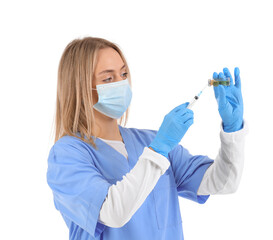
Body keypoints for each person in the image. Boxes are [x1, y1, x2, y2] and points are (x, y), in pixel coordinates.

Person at [46, 37, 248, 240]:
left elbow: (223, 183)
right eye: (108, 79)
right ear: (79, 88)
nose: (121, 84)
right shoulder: (66, 156)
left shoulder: (149, 141)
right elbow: (113, 212)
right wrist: (158, 150)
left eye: (123, 74)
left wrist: (233, 131)